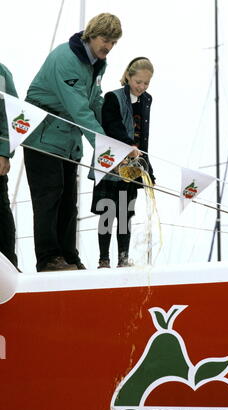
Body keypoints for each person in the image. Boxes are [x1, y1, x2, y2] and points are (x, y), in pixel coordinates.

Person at [23, 13, 122, 272]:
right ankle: (48, 258)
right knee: (49, 198)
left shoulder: (98, 63)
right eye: (104, 39)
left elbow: (95, 101)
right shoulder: (66, 58)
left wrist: (118, 139)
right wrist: (104, 149)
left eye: (113, 42)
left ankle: (68, 256)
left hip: (68, 139)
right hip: (42, 137)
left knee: (68, 201)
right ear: (91, 35)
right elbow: (79, 110)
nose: (108, 46)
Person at [91, 57, 156, 268]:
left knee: (125, 214)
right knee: (107, 211)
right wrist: (129, 145)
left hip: (132, 167)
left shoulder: (147, 100)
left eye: (146, 83)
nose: (142, 87)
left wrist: (149, 171)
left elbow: (143, 137)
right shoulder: (113, 97)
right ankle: (103, 259)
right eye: (138, 82)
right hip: (110, 163)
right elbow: (112, 126)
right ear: (128, 76)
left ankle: (122, 258)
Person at [0, 63, 19, 270]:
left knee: (1, 209)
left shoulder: (2, 73)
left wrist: (4, 152)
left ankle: (9, 266)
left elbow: (11, 113)